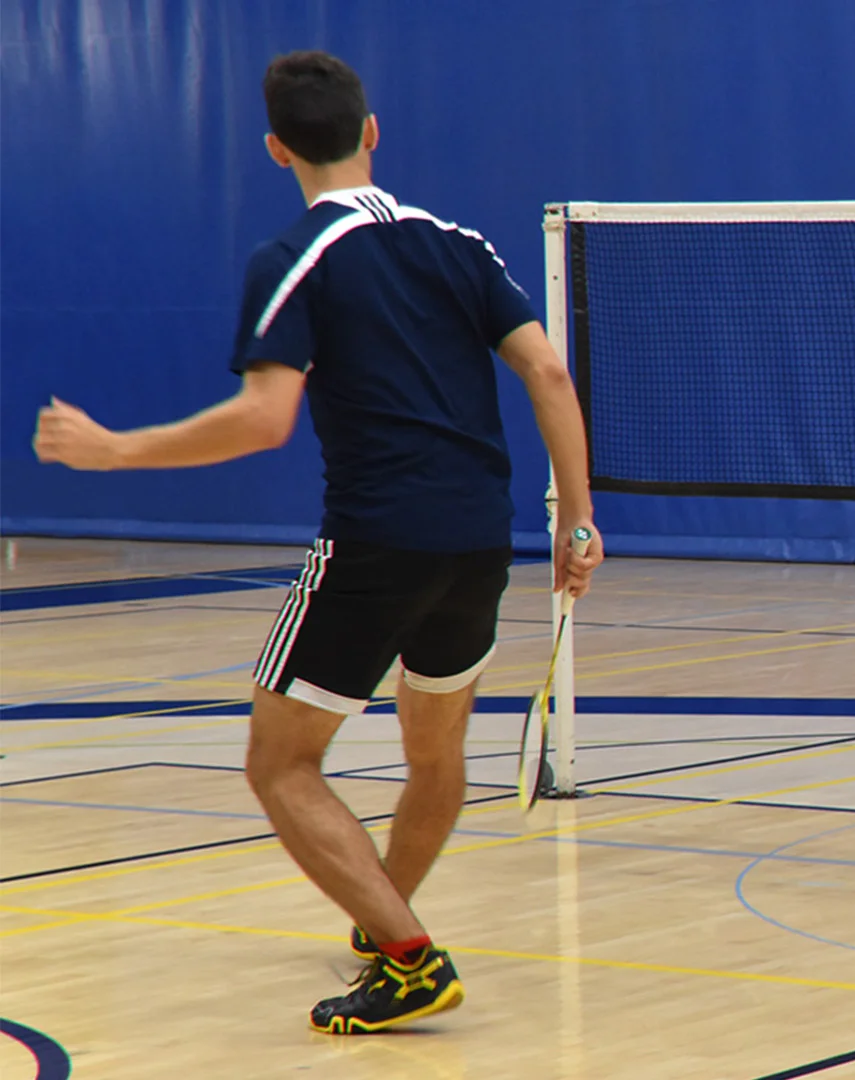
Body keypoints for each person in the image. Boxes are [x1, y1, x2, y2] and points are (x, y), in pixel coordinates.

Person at [31, 50, 602, 1035]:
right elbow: (548, 373)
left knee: (280, 764)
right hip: (480, 538)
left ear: (275, 148)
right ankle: (387, 929)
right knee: (436, 752)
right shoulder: (459, 244)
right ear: (372, 132)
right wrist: (577, 519)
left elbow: (264, 420)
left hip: (376, 541)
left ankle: (410, 958)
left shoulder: (293, 255)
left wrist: (116, 451)